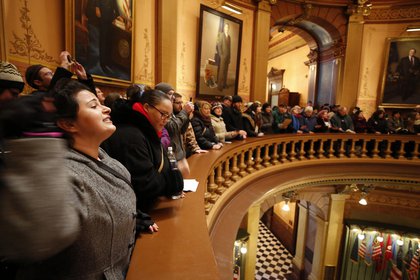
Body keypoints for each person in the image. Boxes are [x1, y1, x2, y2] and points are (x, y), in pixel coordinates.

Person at [9, 78, 137, 279]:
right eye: (94, 106)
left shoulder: (106, 158)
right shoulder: (63, 173)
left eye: (101, 103)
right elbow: (44, 235)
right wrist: (34, 145)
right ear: (68, 123)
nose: (106, 109)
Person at [101, 89, 184, 212]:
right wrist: (174, 181)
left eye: (168, 116)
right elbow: (143, 183)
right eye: (163, 114)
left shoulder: (147, 129)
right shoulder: (131, 135)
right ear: (146, 107)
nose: (165, 120)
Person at [216, 22, 231, 91]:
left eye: (227, 27)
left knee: (226, 71)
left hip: (227, 57)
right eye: (225, 27)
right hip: (222, 56)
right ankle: (219, 86)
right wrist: (221, 55)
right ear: (224, 28)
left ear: (228, 28)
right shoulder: (221, 35)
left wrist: (229, 57)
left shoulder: (229, 37)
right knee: (221, 71)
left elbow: (229, 48)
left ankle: (224, 84)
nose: (226, 28)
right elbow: (219, 45)